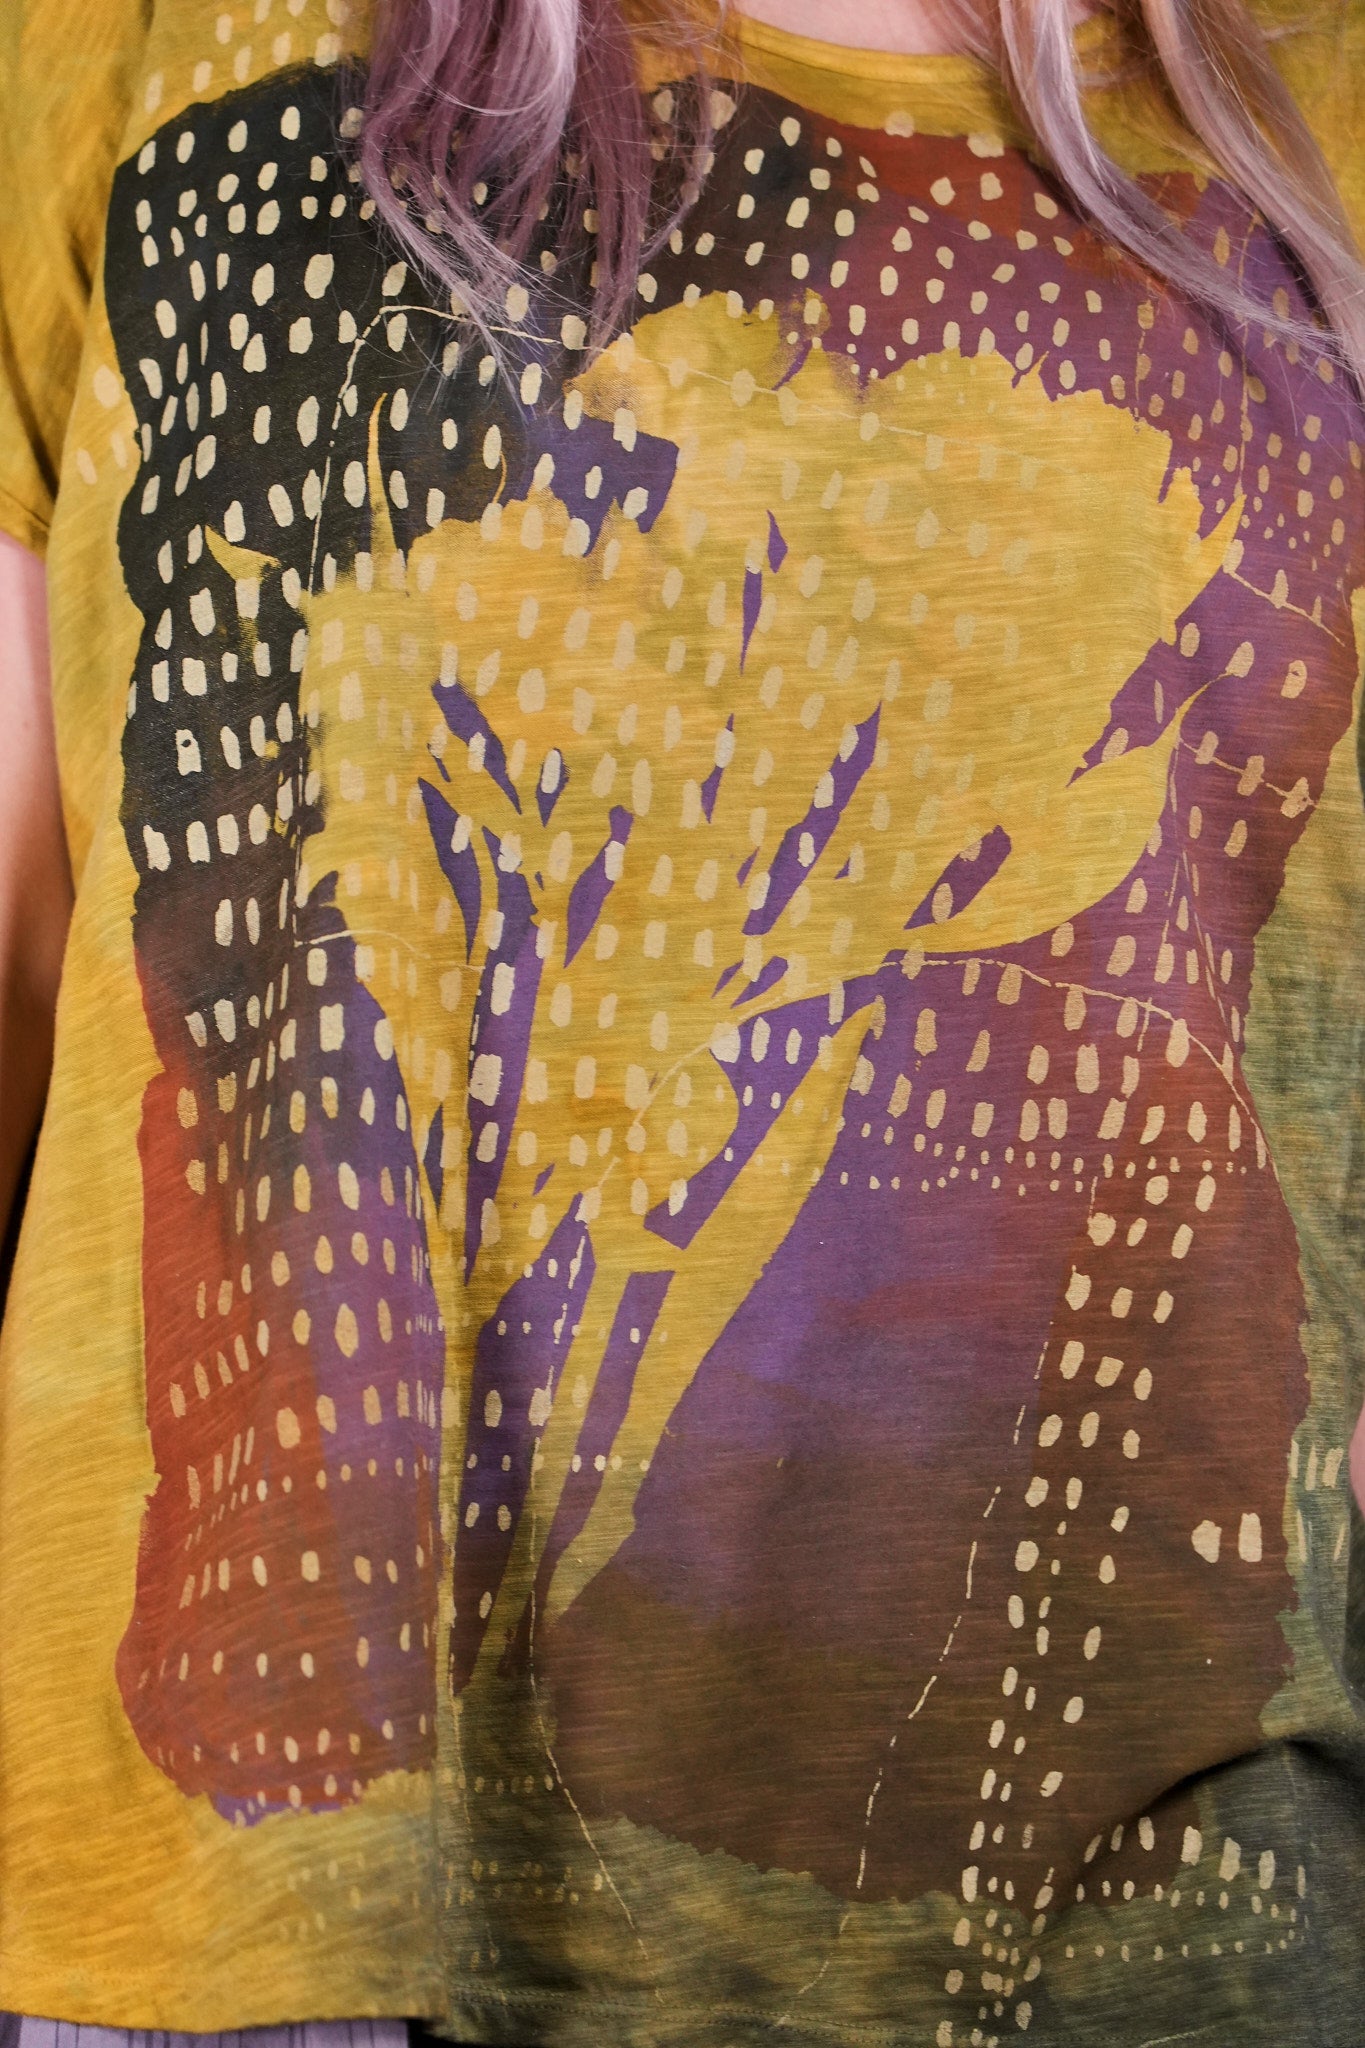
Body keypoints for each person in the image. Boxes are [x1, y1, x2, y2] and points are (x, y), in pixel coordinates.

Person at [2, 0, 1365, 2043]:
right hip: (269, 1914)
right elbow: (26, 939)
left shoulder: (1317, 98)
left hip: (1145, 1900)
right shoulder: (126, 38)